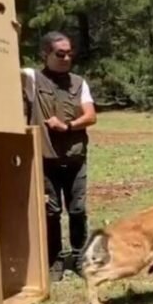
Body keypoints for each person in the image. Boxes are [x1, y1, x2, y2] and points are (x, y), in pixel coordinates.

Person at [24, 31, 97, 280]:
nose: (66, 57)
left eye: (69, 53)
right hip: (46, 159)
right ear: (45, 55)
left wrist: (67, 126)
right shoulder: (32, 79)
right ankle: (54, 260)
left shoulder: (79, 82)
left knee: (77, 210)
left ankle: (79, 256)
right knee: (51, 212)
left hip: (76, 157)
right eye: (60, 53)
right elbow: (4, 62)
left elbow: (91, 116)